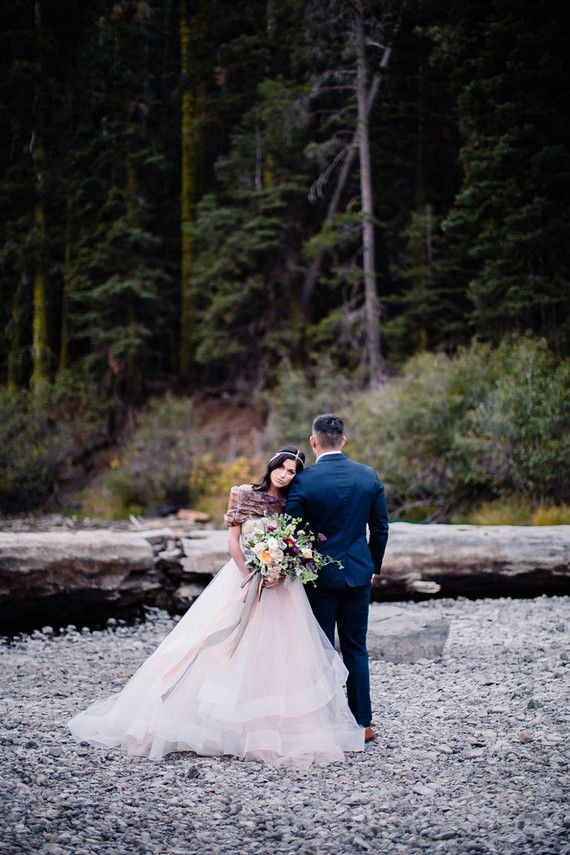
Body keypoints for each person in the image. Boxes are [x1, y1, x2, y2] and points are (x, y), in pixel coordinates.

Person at [69, 446, 364, 768]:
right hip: (243, 577)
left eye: (292, 471)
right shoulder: (243, 494)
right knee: (219, 640)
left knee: (279, 651)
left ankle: (271, 727)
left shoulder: (293, 502)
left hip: (280, 586)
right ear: (271, 466)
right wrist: (248, 574)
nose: (284, 474)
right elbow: (233, 539)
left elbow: (298, 543)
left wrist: (280, 570)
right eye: (281, 467)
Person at [285, 415, 389, 743]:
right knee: (356, 648)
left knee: (322, 649)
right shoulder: (367, 476)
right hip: (358, 573)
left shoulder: (305, 480)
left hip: (318, 576)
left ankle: (326, 723)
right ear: (343, 440)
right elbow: (381, 528)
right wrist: (371, 566)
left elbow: (292, 531)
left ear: (313, 442)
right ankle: (362, 724)